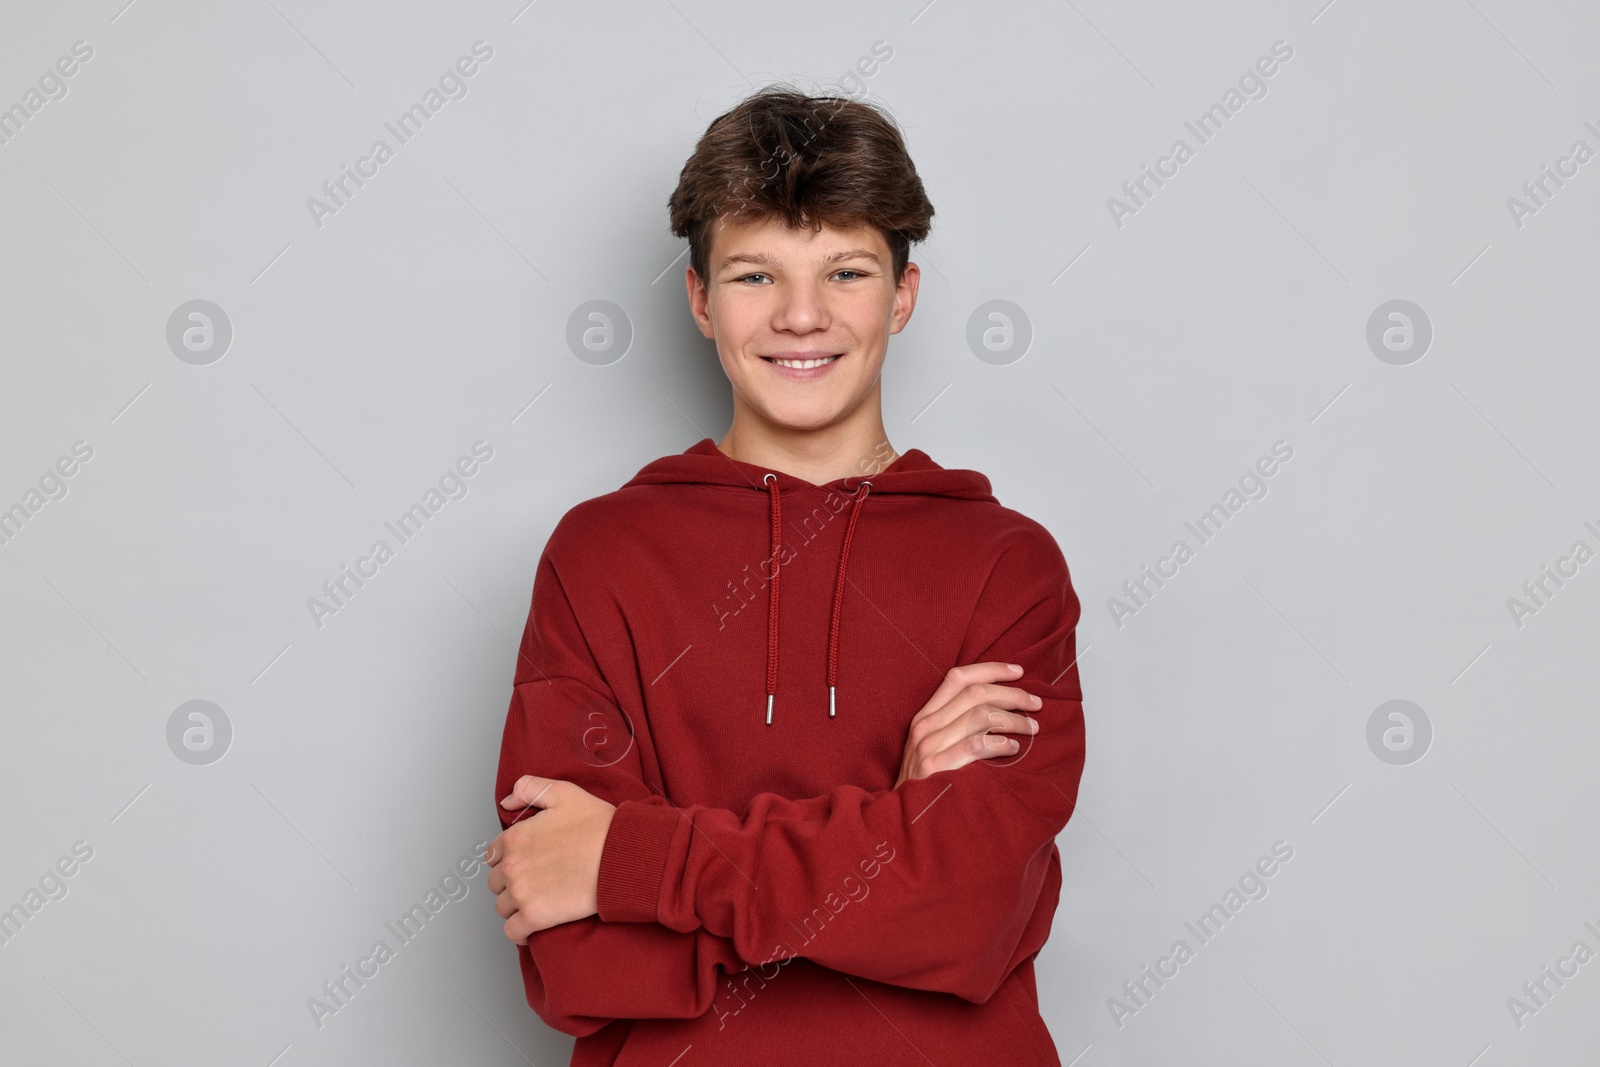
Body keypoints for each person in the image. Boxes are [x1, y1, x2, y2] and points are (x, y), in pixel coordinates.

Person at [487, 85, 1086, 1065]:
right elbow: (579, 958)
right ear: (699, 299)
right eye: (755, 275)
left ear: (902, 293)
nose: (801, 317)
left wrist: (634, 861)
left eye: (844, 271)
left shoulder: (1004, 566)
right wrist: (896, 833)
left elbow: (967, 919)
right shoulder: (598, 558)